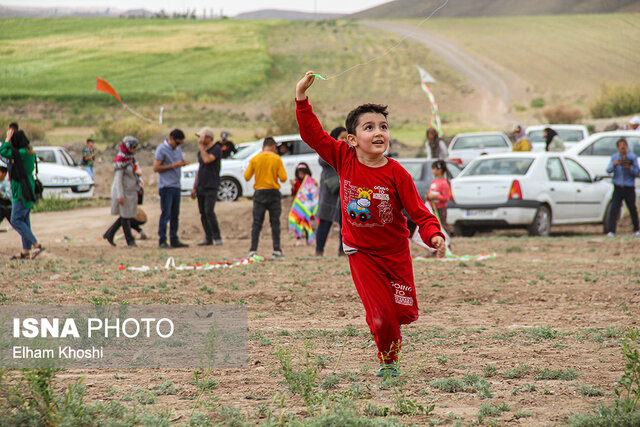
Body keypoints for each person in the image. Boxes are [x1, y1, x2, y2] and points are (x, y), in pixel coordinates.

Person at [295, 71, 445, 376]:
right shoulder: (342, 157)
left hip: (395, 253)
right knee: (381, 316)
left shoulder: (397, 173)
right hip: (360, 252)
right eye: (369, 127)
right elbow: (313, 135)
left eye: (384, 127)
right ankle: (388, 362)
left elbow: (419, 212)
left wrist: (433, 235)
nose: (379, 132)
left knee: (403, 312)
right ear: (352, 139)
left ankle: (386, 325)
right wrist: (301, 99)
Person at [0, 125, 45, 259]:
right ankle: (26, 251)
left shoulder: (21, 153)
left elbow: (3, 152)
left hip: (21, 192)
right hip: (28, 188)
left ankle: (36, 245)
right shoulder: (29, 152)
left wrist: (7, 139)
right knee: (24, 220)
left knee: (16, 220)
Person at [244, 137, 287, 258]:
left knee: (257, 223)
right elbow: (283, 178)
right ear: (273, 147)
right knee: (275, 223)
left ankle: (253, 250)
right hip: (273, 193)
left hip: (259, 192)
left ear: (263, 147)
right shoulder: (276, 158)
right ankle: (277, 250)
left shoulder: (255, 158)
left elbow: (247, 176)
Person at [154, 129, 189, 248]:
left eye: (180, 143)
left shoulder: (178, 149)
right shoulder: (161, 149)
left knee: (175, 215)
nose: (178, 145)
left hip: (176, 185)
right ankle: (162, 240)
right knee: (166, 214)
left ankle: (174, 239)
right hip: (166, 186)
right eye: (177, 143)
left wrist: (182, 163)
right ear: (171, 138)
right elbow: (156, 168)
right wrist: (173, 165)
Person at [103, 136, 140, 247]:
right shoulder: (120, 161)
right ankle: (130, 241)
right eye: (134, 147)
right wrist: (120, 195)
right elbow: (118, 180)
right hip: (123, 192)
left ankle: (109, 234)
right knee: (125, 217)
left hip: (130, 192)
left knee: (126, 216)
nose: (135, 149)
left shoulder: (130, 159)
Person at [316, 126, 346, 256]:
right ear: (335, 138)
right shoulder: (327, 151)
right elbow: (322, 161)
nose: (345, 141)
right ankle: (319, 250)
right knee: (325, 222)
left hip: (343, 194)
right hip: (329, 193)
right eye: (342, 138)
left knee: (344, 225)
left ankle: (342, 250)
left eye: (346, 138)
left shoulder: (348, 151)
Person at [191, 127, 223, 246]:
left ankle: (217, 236)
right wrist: (194, 186)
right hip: (201, 185)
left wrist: (201, 148)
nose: (199, 139)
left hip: (211, 185)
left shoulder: (216, 149)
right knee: (203, 213)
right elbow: (200, 168)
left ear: (209, 138)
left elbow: (207, 160)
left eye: (201, 137)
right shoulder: (202, 151)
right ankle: (208, 238)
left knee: (210, 211)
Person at [605, 138, 640, 238]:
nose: (622, 147)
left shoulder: (632, 158)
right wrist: (614, 164)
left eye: (624, 145)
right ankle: (611, 231)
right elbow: (608, 170)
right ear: (617, 148)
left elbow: (637, 172)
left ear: (627, 146)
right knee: (614, 209)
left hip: (629, 187)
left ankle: (636, 230)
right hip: (618, 186)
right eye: (620, 146)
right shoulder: (614, 157)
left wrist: (629, 167)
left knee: (632, 209)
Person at [426, 160, 453, 236]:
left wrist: (435, 196)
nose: (432, 171)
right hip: (433, 209)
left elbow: (446, 198)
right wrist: (428, 196)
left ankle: (447, 243)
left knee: (442, 226)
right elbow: (429, 193)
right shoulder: (434, 182)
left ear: (439, 170)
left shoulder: (444, 183)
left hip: (441, 209)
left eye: (433, 169)